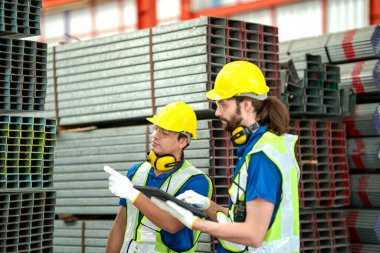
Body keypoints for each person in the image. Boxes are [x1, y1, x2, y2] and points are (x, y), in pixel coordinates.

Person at [152, 61, 300, 252]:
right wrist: (208, 206)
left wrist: (195, 223)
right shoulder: (263, 147)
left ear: (246, 104)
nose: (217, 112)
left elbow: (253, 234)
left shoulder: (262, 157)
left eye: (223, 104)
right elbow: (242, 218)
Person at [104, 101, 213, 253]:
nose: (155, 135)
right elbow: (121, 223)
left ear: (183, 141)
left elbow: (173, 224)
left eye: (165, 133)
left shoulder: (196, 181)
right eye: (156, 129)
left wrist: (132, 194)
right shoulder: (137, 171)